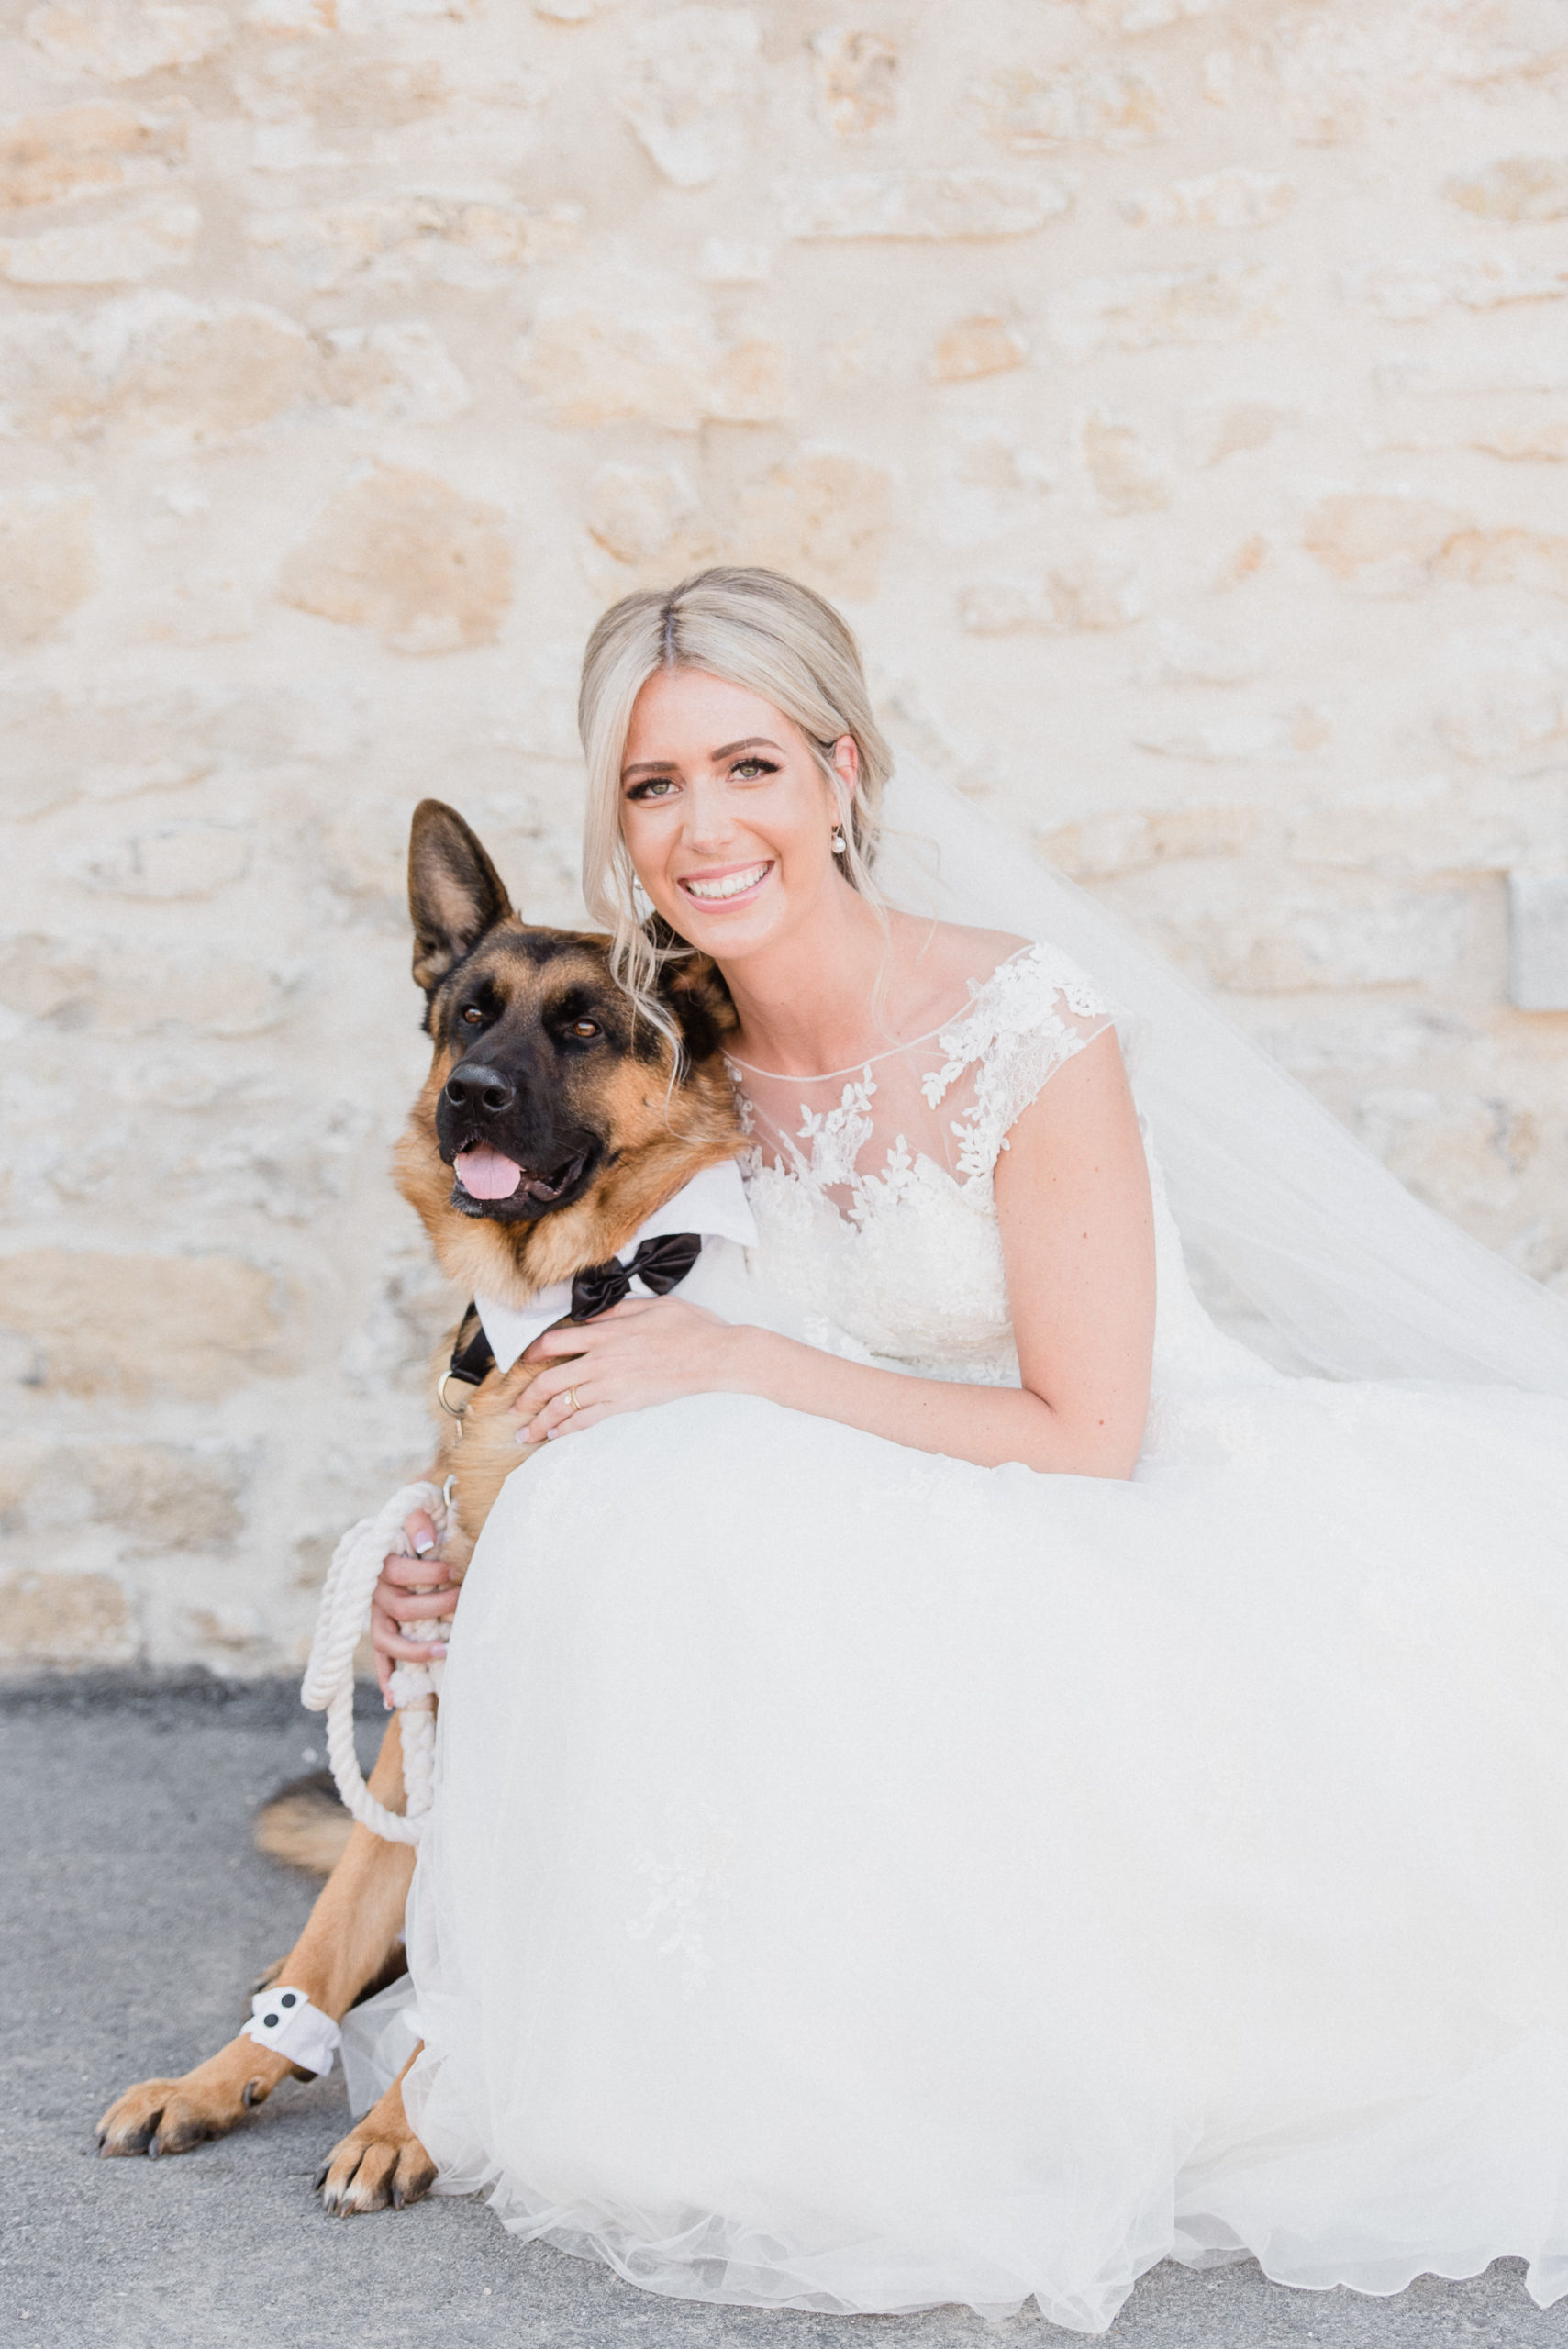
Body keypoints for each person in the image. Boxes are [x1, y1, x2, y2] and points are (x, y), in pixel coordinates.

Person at [367, 567, 1568, 2332]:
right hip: (832, 1496)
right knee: (636, 1522)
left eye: (750, 767)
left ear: (840, 773)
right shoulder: (660, 1046)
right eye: (653, 784)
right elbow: (564, 1337)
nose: (703, 826)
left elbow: (1089, 1435)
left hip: (1106, 1503)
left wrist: (739, 1363)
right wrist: (453, 1565)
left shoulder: (1019, 1022)